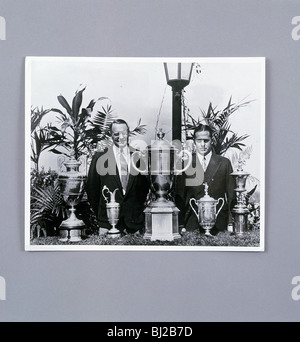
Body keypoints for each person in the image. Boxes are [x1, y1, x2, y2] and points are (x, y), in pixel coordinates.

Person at [86, 119, 149, 235]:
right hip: (107, 225)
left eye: (124, 133)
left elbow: (143, 189)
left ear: (128, 133)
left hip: (134, 225)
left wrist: (136, 211)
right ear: (111, 134)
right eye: (116, 134)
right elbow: (91, 188)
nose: (120, 137)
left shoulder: (137, 156)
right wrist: (103, 215)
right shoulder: (100, 157)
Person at [175, 124, 235, 234]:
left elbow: (231, 195)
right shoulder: (185, 164)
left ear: (212, 140)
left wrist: (231, 223)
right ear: (194, 141)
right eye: (199, 140)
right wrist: (180, 224)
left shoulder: (224, 163)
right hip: (192, 224)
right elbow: (180, 196)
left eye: (206, 140)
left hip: (219, 225)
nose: (202, 144)